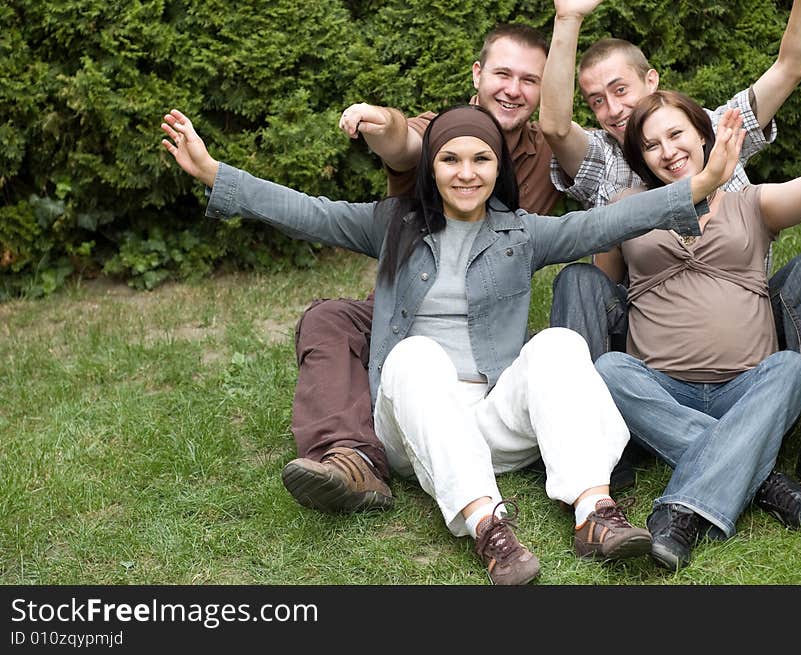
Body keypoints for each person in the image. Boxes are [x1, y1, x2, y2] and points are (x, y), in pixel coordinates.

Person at [160, 103, 744, 583]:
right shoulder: (391, 224)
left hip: (491, 419)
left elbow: (603, 224)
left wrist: (703, 183)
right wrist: (215, 173)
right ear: (431, 169)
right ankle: (490, 528)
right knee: (414, 355)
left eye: (481, 159)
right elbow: (306, 213)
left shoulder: (520, 232)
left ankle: (595, 513)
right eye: (451, 159)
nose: (467, 173)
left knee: (559, 344)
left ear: (497, 170)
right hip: (415, 425)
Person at [541, 0, 801, 495]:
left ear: (653, 81)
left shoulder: (720, 128)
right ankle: (596, 438)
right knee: (580, 281)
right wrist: (567, 18)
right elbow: (553, 127)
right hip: (652, 339)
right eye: (597, 100)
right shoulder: (604, 163)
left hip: (746, 323)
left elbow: (793, 66)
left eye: (621, 90)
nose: (613, 110)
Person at [593, 35, 801, 570]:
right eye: (651, 145)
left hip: (748, 387)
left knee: (793, 369)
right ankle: (764, 480)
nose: (667, 151)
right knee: (608, 368)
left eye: (676, 134)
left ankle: (681, 510)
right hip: (660, 388)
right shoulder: (625, 210)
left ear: (704, 135)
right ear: (639, 157)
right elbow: (603, 291)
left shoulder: (751, 203)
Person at [281, 24, 580, 517]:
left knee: (550, 353)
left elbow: (590, 173)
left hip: (488, 323)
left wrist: (568, 21)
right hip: (413, 305)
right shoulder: (442, 132)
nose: (513, 89)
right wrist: (382, 123)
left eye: (530, 79)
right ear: (478, 74)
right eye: (502, 73)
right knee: (330, 319)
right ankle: (353, 458)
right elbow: (405, 143)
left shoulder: (546, 149)